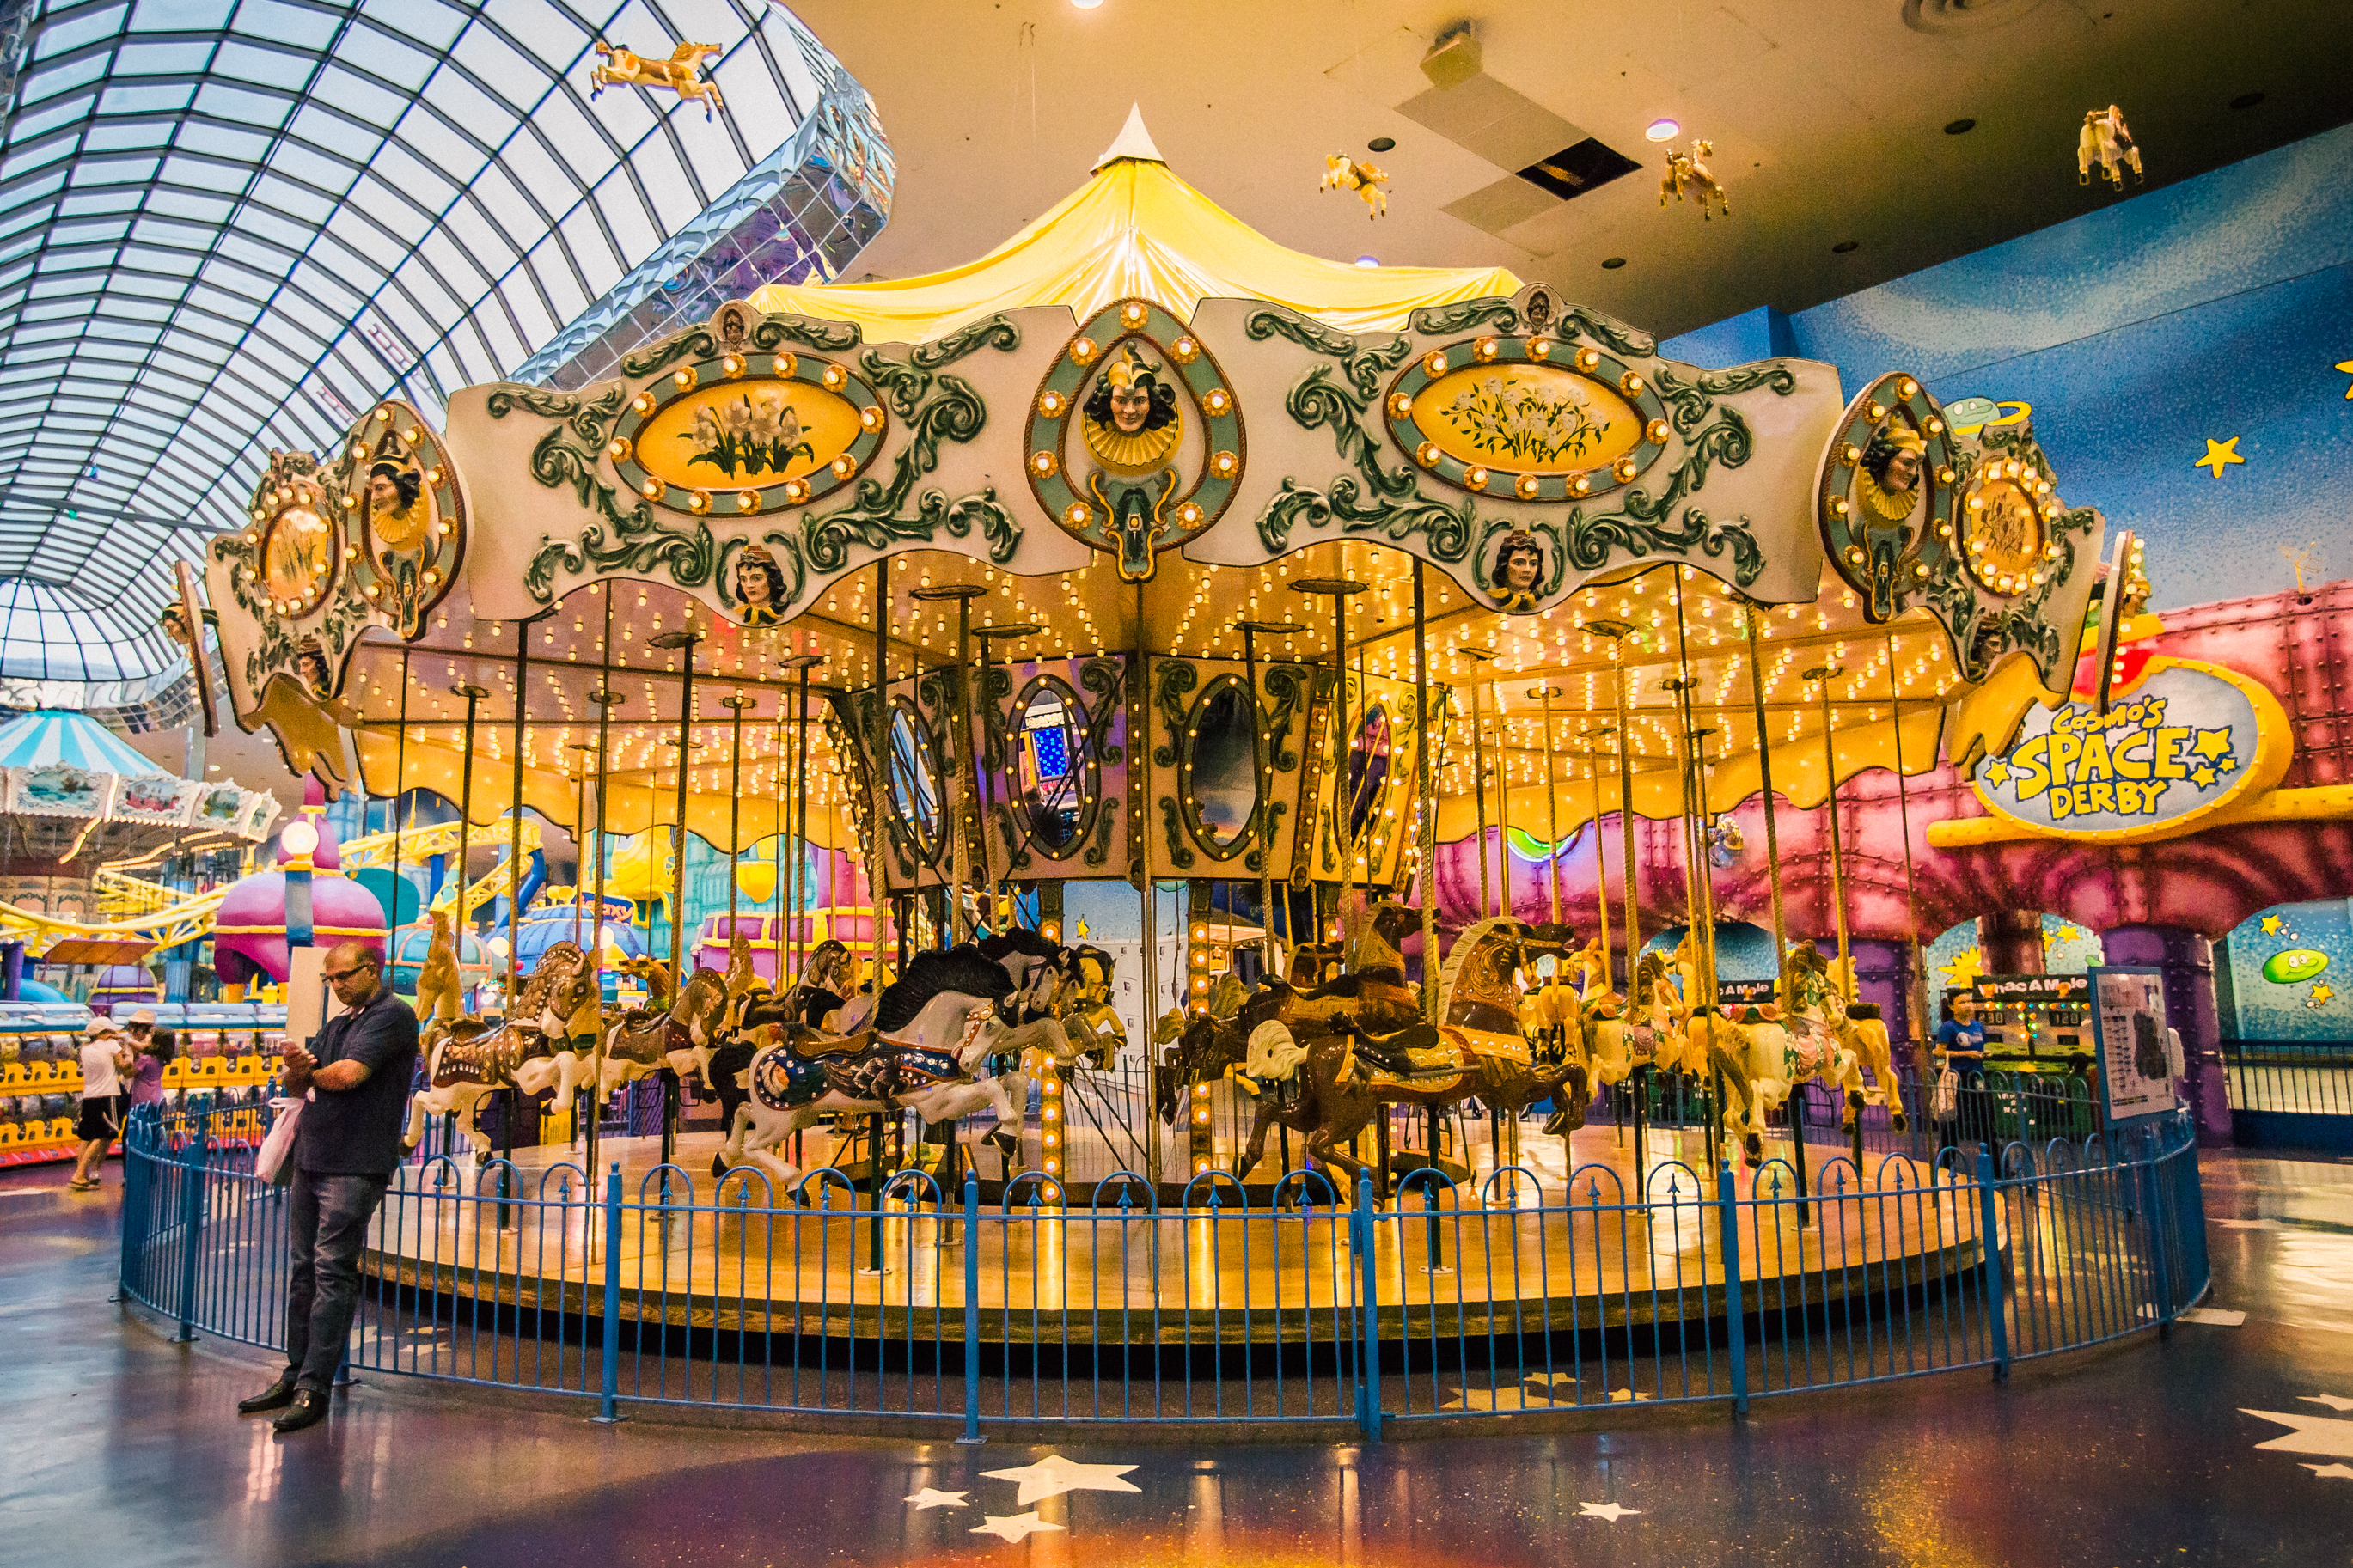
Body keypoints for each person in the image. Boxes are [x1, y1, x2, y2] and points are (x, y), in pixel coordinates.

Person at [238, 940, 418, 1435]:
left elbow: (349, 1075)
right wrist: (297, 1071)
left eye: (343, 976)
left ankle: (315, 1386)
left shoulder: (393, 1016)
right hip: (315, 1158)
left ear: (372, 969)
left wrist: (307, 1071)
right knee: (303, 1271)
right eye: (330, 979)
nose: (336, 986)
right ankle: (295, 1374)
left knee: (331, 1269)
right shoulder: (338, 1024)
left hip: (355, 1163)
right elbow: (302, 1085)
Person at [69, 1019, 132, 1191]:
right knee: (105, 1134)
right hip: (107, 1094)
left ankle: (81, 1173)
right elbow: (123, 1065)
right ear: (104, 1033)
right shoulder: (111, 1045)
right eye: (111, 1031)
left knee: (86, 1136)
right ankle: (80, 1175)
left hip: (89, 1095)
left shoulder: (85, 1049)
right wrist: (127, 1053)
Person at [1934, 990, 1991, 1163]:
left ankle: (1995, 1163)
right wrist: (1966, 1055)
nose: (1968, 1005)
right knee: (1954, 1121)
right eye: (1962, 1002)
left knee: (1985, 1120)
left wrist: (1984, 1054)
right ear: (1952, 1006)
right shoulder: (1948, 1027)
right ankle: (1945, 1160)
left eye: (1969, 1001)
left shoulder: (1978, 1026)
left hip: (1977, 1076)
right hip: (1958, 1078)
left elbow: (1984, 1046)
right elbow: (1939, 1051)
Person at [126, 1027, 174, 1109]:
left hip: (142, 1095)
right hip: (157, 1094)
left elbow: (130, 1073)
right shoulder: (161, 1058)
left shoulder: (145, 1059)